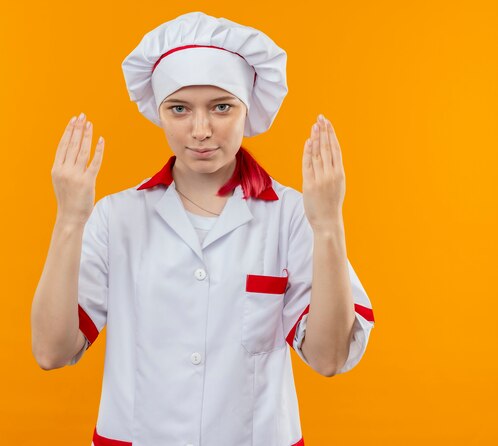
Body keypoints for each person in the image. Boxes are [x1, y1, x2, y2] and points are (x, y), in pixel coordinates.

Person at [31, 11, 375, 446]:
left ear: (247, 110)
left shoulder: (292, 215)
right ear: (159, 112)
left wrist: (328, 225)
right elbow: (51, 351)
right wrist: (69, 220)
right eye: (179, 109)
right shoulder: (116, 216)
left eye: (221, 107)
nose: (200, 130)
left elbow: (328, 358)